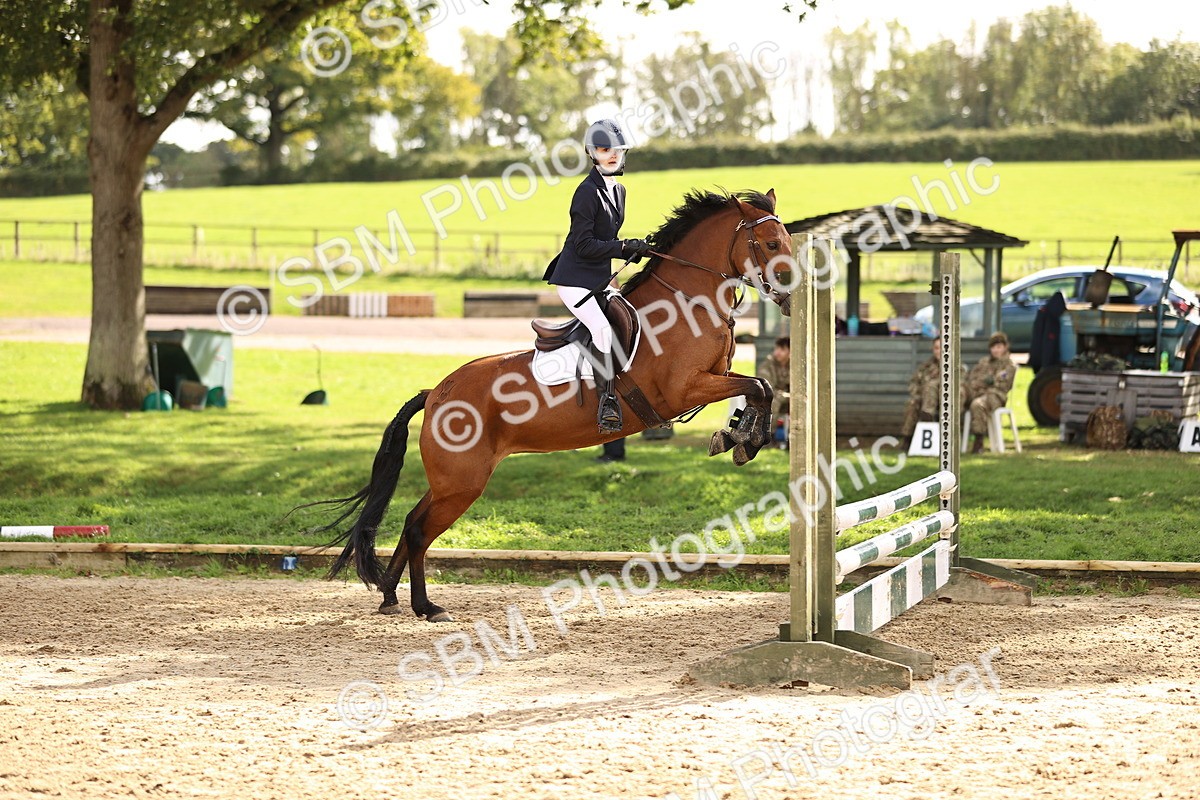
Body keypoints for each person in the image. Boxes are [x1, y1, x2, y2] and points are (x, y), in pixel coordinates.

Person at [543, 119, 651, 433]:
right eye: (605, 150)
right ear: (593, 153)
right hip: (574, 280)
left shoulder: (619, 190)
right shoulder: (586, 192)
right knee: (603, 331)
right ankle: (607, 403)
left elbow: (608, 240)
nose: (612, 155)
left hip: (599, 280)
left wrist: (632, 248)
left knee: (630, 320)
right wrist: (621, 246)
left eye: (617, 149)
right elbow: (584, 244)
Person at [901, 336, 967, 449]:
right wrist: (921, 393)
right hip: (925, 401)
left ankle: (948, 440)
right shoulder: (925, 367)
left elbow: (960, 385)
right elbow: (913, 384)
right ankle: (908, 439)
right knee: (912, 402)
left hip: (946, 400)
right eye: (936, 348)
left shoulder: (957, 367)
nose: (939, 351)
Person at [965, 331, 1018, 454]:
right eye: (993, 347)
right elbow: (972, 378)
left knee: (977, 405)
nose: (996, 350)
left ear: (1005, 347)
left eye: (999, 347)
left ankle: (978, 441)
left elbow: (1001, 384)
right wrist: (985, 382)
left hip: (996, 396)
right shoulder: (984, 362)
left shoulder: (1009, 366)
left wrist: (985, 382)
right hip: (977, 393)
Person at [756, 336, 791, 443]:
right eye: (776, 349)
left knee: (802, 401)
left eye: (782, 349)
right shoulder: (767, 365)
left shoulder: (794, 365)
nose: (777, 352)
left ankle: (796, 437)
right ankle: (766, 437)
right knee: (775, 401)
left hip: (788, 400)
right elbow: (767, 389)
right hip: (766, 400)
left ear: (790, 352)